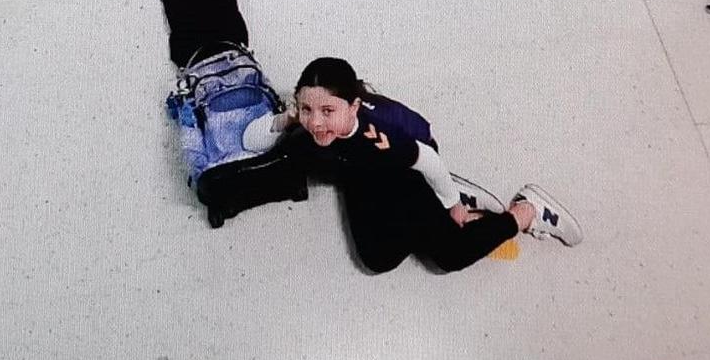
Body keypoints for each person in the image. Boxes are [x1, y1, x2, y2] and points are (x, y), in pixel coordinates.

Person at [243, 56, 583, 274]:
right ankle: (439, 206)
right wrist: (288, 118)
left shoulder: (382, 136)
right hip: (359, 167)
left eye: (327, 111)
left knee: (449, 255)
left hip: (404, 168)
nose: (315, 122)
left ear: (354, 106)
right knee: (378, 258)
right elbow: (250, 140)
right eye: (306, 109)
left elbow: (429, 159)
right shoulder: (310, 123)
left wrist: (451, 206)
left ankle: (526, 211)